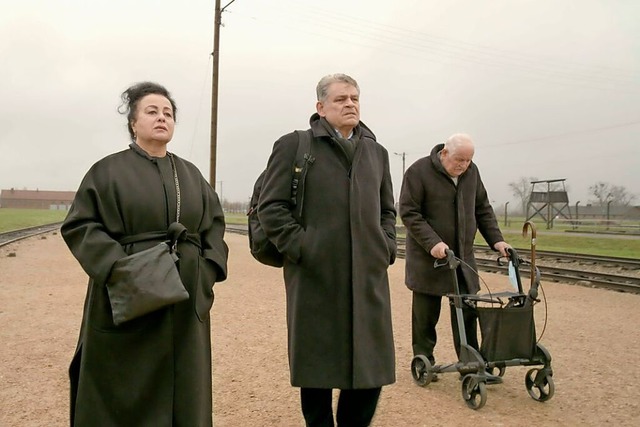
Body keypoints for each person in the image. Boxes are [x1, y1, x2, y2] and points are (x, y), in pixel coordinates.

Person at [61, 81, 228, 426]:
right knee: (124, 388)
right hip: (128, 295)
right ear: (134, 123)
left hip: (185, 304)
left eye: (168, 113)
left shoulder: (192, 175)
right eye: (152, 111)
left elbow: (214, 226)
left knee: (186, 391)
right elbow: (80, 226)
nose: (162, 118)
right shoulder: (107, 171)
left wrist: (207, 272)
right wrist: (121, 270)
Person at [257, 73, 397, 427]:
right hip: (316, 276)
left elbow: (387, 210)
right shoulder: (294, 145)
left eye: (354, 98)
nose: (350, 104)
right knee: (316, 370)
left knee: (371, 370)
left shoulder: (376, 152)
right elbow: (270, 207)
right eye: (340, 99)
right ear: (320, 107)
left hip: (368, 276)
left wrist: (386, 247)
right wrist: (304, 247)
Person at [399, 133, 510, 379]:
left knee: (467, 311)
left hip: (462, 258)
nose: (463, 165)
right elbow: (409, 213)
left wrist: (497, 240)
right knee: (426, 315)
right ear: (444, 153)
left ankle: (470, 362)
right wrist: (433, 243)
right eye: (459, 159)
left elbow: (482, 208)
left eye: (468, 160)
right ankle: (424, 359)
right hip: (429, 259)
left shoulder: (472, 174)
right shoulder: (418, 172)